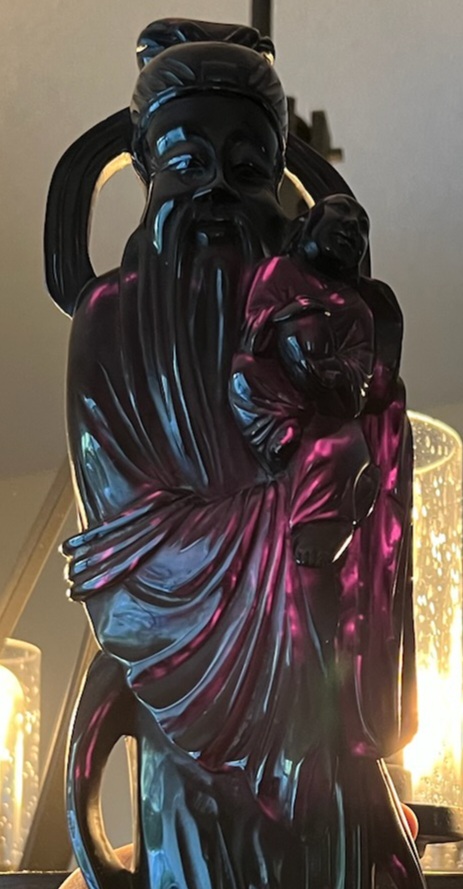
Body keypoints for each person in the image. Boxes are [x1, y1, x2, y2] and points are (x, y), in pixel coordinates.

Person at [48, 19, 424, 889]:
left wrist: (357, 423)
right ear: (145, 170)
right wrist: (292, 510)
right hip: (182, 712)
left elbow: (368, 471)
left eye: (248, 169)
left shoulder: (308, 309)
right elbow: (123, 547)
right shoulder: (109, 320)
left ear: (281, 180)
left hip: (314, 712)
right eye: (187, 165)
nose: (217, 191)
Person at [229, 195, 381, 567]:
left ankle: (323, 523)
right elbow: (254, 324)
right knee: (244, 375)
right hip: (275, 384)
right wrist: (292, 324)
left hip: (325, 402)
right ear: (306, 226)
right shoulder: (279, 272)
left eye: (362, 227)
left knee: (343, 444)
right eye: (341, 213)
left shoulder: (357, 310)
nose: (352, 226)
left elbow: (360, 371)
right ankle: (278, 436)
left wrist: (332, 371)